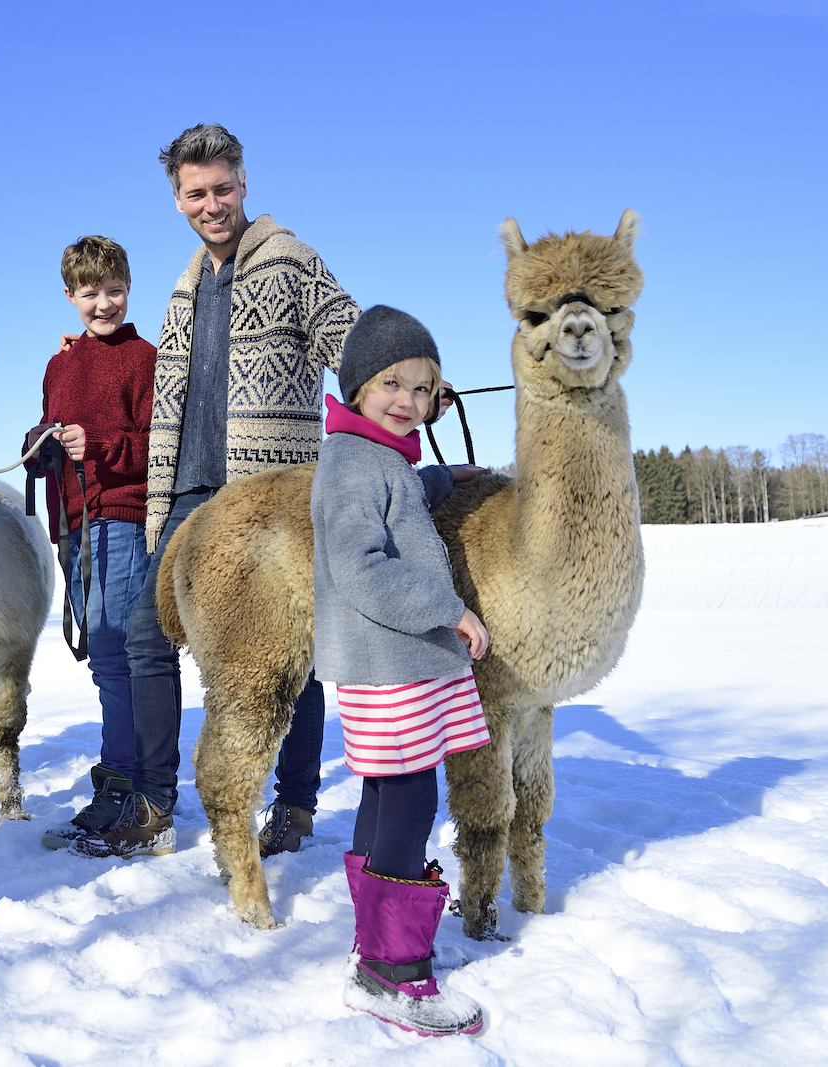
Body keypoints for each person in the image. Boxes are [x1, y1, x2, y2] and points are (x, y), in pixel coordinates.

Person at [70, 123, 359, 859]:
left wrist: (402, 371)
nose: (211, 203)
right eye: (196, 193)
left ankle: (293, 806)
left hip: (267, 493)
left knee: (287, 651)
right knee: (146, 633)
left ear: (243, 185)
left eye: (222, 188)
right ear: (177, 200)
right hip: (189, 494)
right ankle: (155, 802)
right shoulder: (183, 286)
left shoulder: (291, 259)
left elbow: (347, 336)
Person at [311, 305, 489, 1037]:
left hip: (389, 663)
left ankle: (373, 946)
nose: (409, 401)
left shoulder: (379, 458)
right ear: (356, 386)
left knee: (388, 793)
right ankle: (393, 970)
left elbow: (402, 499)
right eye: (392, 383)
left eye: (424, 389)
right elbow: (362, 563)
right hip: (391, 663)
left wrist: (443, 480)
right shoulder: (355, 465)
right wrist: (448, 607)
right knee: (412, 800)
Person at [23, 236, 158, 849]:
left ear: (128, 288)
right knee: (101, 657)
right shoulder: (59, 365)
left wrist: (98, 446)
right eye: (89, 293)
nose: (103, 304)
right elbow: (49, 436)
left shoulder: (143, 358)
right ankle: (118, 781)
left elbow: (160, 446)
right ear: (70, 296)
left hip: (122, 517)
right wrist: (42, 445)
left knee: (116, 651)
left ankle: (128, 786)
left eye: (114, 291)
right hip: (73, 520)